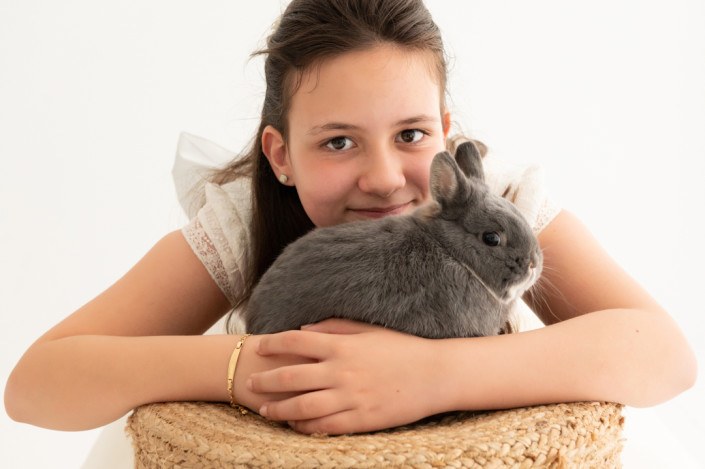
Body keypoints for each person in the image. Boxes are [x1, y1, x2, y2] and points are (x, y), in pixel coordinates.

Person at [4, 0, 696, 441]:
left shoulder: (499, 205)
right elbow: (35, 385)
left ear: (446, 131)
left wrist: (435, 373)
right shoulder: (244, 222)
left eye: (411, 134)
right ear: (279, 155)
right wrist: (250, 367)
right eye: (337, 141)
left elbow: (663, 355)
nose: (385, 177)